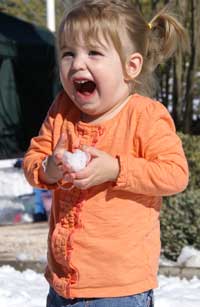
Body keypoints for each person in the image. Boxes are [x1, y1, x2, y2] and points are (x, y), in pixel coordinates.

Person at [23, 1, 189, 306]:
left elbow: (175, 174)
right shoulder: (62, 110)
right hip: (61, 285)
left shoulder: (145, 116)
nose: (77, 63)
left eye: (94, 53)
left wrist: (116, 169)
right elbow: (34, 159)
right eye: (68, 53)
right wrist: (50, 169)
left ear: (131, 66)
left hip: (118, 289)